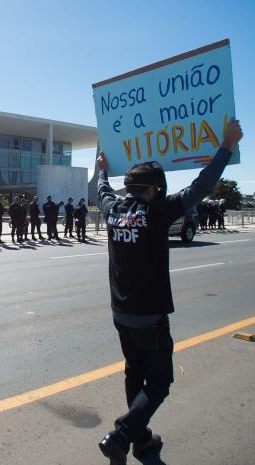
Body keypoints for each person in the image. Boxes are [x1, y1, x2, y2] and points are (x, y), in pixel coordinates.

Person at [95, 118, 243, 465]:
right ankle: (120, 435)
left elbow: (102, 190)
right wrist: (227, 147)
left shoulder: (113, 210)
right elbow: (201, 186)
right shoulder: (156, 212)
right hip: (149, 315)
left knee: (134, 371)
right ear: (153, 189)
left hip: (120, 313)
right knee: (160, 381)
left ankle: (141, 439)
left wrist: (101, 170)